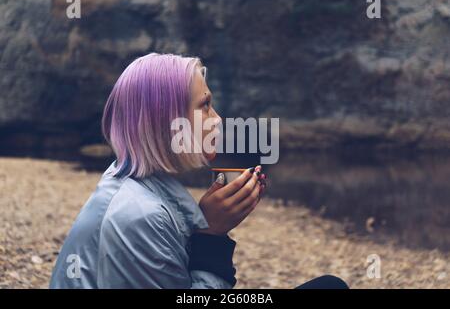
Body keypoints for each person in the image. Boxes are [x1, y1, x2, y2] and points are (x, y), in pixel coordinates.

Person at [49, 53, 347, 289]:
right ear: (167, 121)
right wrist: (212, 236)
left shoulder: (135, 180)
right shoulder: (138, 215)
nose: (217, 120)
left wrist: (205, 225)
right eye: (205, 106)